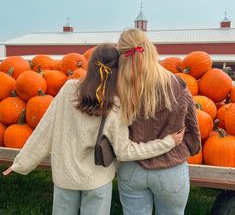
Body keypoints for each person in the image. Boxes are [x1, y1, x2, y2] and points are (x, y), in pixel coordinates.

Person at [3, 43, 185, 215]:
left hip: (65, 179)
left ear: (90, 66)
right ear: (118, 72)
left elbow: (45, 130)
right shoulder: (116, 104)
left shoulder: (68, 89)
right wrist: (167, 142)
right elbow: (125, 151)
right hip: (97, 182)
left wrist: (21, 163)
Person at [117, 29, 201, 215]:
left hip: (132, 168)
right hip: (171, 170)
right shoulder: (178, 87)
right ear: (150, 50)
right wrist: (191, 148)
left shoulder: (117, 90)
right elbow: (193, 129)